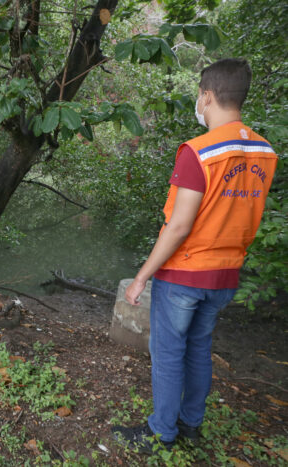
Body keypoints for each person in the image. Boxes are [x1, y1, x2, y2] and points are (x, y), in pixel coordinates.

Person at [111, 58, 277, 453]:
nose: (198, 104)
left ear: (207, 94)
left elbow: (180, 225)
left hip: (185, 274)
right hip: (226, 274)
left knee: (168, 354)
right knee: (199, 349)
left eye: (199, 97)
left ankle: (160, 434)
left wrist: (141, 276)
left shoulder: (199, 152)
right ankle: (191, 425)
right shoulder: (264, 151)